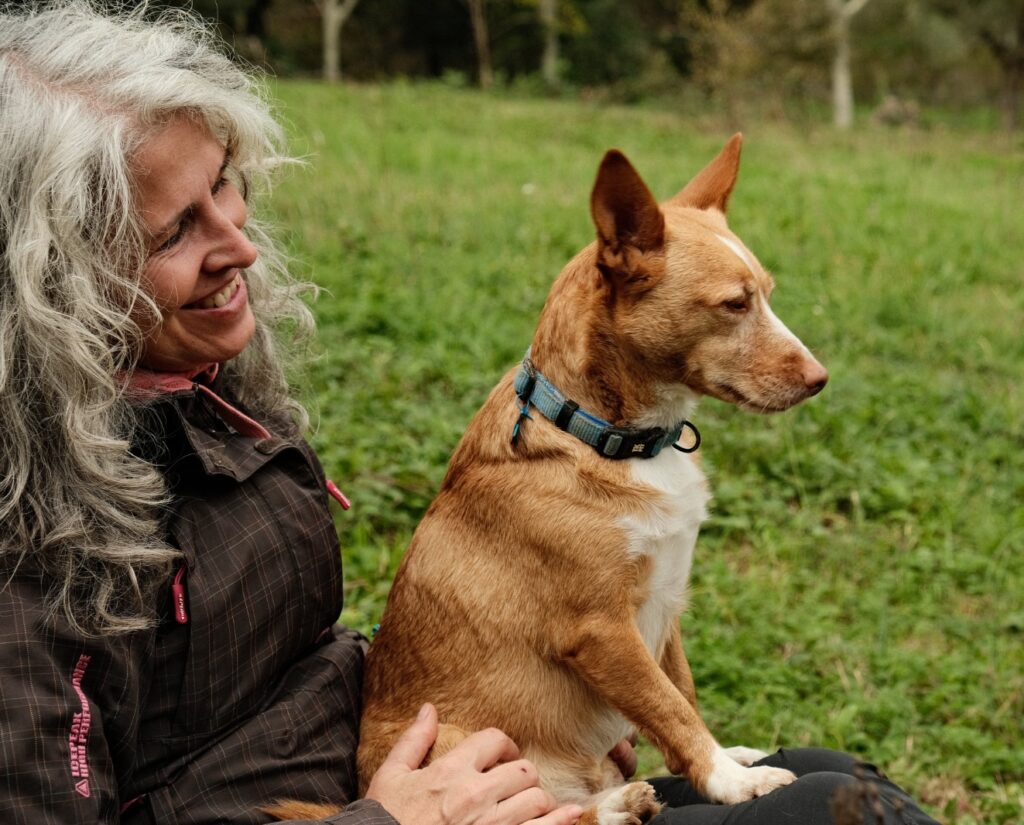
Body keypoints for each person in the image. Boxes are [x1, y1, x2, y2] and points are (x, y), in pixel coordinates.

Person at [0, 3, 939, 825]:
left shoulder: (210, 394)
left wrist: (512, 710)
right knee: (843, 815)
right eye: (177, 229)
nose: (240, 243)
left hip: (441, 765)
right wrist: (388, 818)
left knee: (839, 779)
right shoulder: (32, 553)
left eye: (225, 186)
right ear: (57, 271)